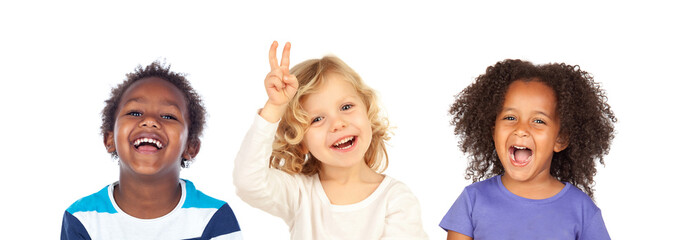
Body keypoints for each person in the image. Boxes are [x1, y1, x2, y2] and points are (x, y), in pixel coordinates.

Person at [234, 42, 428, 240]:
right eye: (317, 119)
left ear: (367, 111)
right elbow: (248, 182)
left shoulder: (396, 199)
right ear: (300, 141)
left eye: (346, 107)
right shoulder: (299, 194)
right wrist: (275, 107)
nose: (338, 124)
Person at [61, 62, 242, 240]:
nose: (149, 121)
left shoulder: (213, 218)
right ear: (110, 139)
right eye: (135, 113)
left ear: (190, 147)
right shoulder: (82, 218)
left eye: (168, 116)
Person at [440, 59, 616, 239]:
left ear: (560, 139)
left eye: (539, 121)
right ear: (493, 131)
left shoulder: (582, 210)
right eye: (510, 117)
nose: (521, 129)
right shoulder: (472, 201)